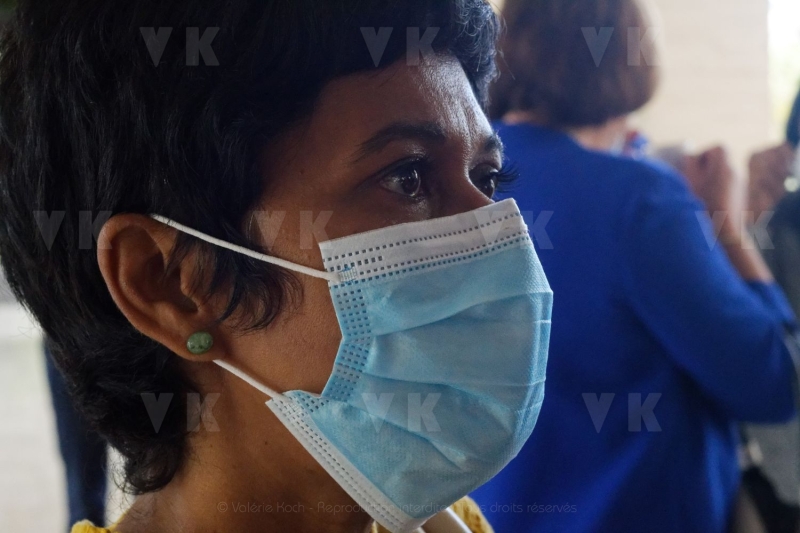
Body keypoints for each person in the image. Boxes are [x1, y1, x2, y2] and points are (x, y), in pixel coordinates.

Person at [0, 1, 555, 532]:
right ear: (170, 286)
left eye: (487, 177)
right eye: (407, 177)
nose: (495, 232)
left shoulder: (450, 522)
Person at [470, 0, 798, 532]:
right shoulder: (638, 201)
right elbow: (773, 382)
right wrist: (726, 227)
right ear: (629, 63)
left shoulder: (462, 182)